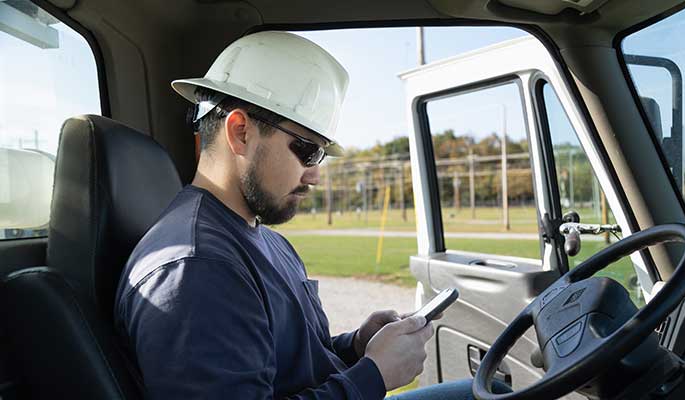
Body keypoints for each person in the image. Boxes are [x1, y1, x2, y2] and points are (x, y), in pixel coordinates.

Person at [115, 30, 507, 399]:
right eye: (306, 150)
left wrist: (355, 346)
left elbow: (290, 366)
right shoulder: (196, 269)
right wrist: (373, 375)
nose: (316, 175)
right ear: (240, 132)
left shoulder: (263, 238)